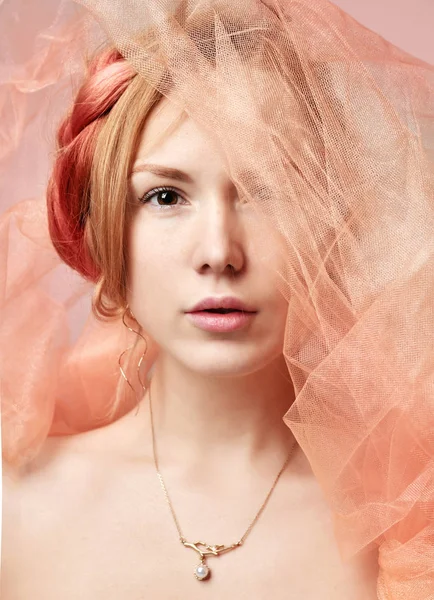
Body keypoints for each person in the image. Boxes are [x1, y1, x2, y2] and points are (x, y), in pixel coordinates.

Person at [1, 0, 433, 598]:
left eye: (267, 187)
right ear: (101, 224)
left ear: (332, 219)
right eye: (164, 197)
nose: (218, 251)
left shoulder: (408, 531)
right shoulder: (16, 512)